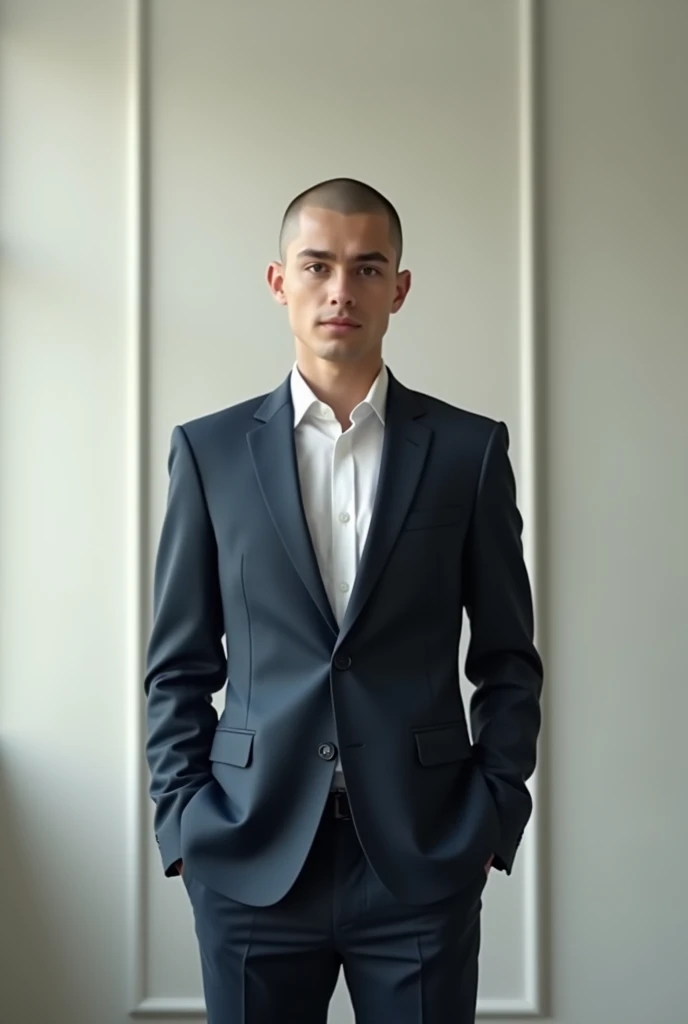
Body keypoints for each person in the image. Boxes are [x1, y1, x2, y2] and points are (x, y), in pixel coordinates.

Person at [144, 177, 543, 1024]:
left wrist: (492, 815)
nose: (340, 290)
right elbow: (177, 664)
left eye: (367, 269)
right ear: (278, 280)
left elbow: (508, 658)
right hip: (248, 853)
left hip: (421, 856)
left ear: (398, 287)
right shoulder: (209, 453)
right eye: (317, 265)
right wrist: (185, 824)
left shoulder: (469, 452)